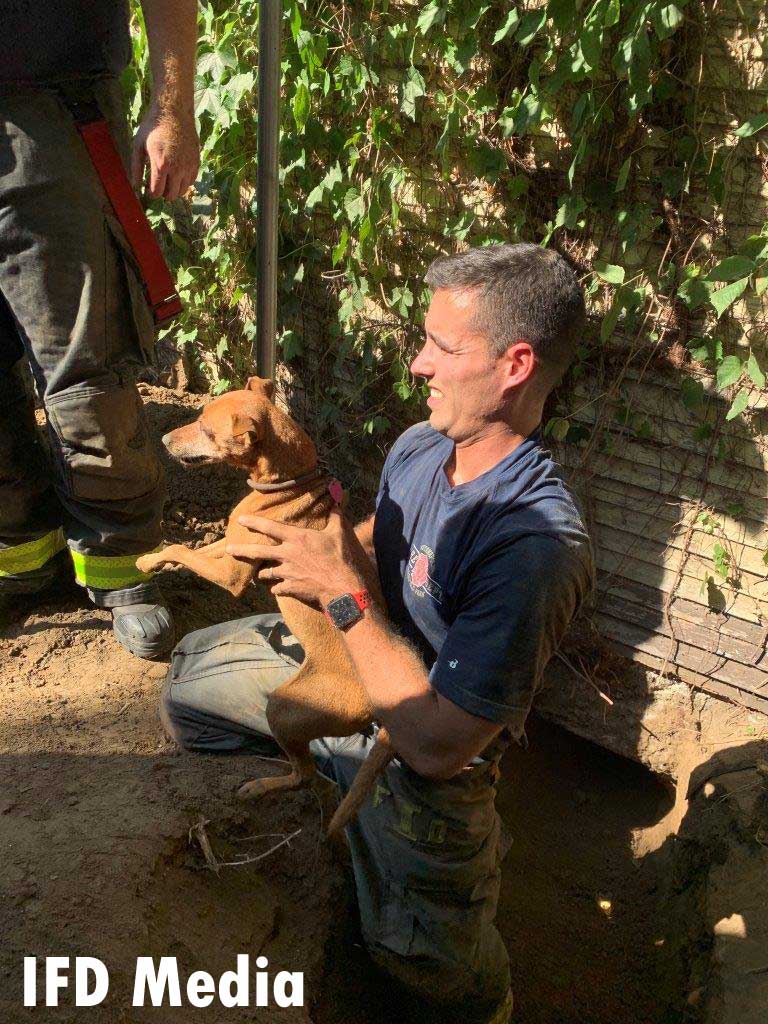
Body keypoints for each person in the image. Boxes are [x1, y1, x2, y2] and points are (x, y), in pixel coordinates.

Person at [160, 243, 594, 1023]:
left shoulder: (533, 546)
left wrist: (346, 594)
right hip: (362, 654)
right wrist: (312, 553)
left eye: (443, 348)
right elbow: (372, 542)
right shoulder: (424, 444)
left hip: (428, 738)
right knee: (189, 682)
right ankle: (331, 750)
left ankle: (469, 921)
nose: (420, 364)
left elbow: (438, 743)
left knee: (424, 970)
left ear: (516, 364)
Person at [0, 0, 199, 657]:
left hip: (52, 109)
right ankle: (18, 549)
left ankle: (119, 566)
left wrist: (172, 107)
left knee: (83, 351)